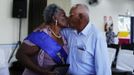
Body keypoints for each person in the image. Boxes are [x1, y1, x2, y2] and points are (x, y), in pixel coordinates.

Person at [16, 4, 68, 75]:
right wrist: (41, 71)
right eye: (63, 15)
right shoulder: (41, 35)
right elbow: (20, 55)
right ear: (54, 18)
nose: (67, 17)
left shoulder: (63, 35)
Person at [61, 4, 111, 75]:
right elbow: (55, 29)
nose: (68, 18)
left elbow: (103, 69)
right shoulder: (70, 32)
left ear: (81, 17)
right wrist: (45, 24)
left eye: (71, 15)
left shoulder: (96, 36)